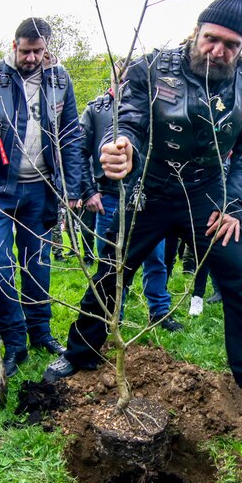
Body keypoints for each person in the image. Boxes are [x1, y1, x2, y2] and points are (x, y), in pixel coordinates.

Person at [44, 0, 242, 409]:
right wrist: (122, 144)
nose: (218, 50)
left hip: (210, 191)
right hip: (150, 186)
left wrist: (233, 203)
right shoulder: (153, 66)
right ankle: (80, 353)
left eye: (231, 45)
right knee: (111, 271)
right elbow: (131, 118)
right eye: (212, 38)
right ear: (196, 31)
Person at [0, 17, 82, 377]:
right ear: (14, 45)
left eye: (37, 52)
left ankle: (41, 331)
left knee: (38, 265)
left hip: (40, 188)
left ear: (47, 49)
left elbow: (71, 135)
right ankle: (14, 342)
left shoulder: (60, 80)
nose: (30, 58)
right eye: (24, 51)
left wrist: (72, 188)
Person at [79, 85, 184, 331]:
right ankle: (114, 314)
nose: (128, 84)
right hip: (107, 196)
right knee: (111, 262)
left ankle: (159, 312)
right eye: (123, 79)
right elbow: (80, 150)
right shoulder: (96, 109)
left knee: (156, 260)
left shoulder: (155, 107)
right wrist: (88, 191)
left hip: (144, 197)